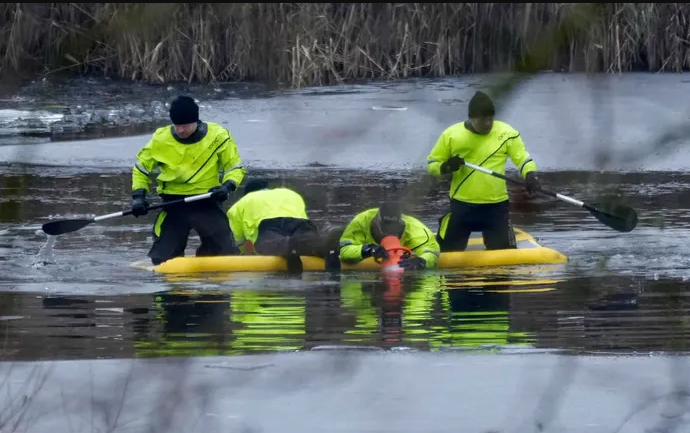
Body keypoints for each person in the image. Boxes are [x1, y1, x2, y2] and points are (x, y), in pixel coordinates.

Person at [130, 95, 246, 265]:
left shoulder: (218, 136)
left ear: (196, 121)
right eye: (177, 126)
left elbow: (234, 168)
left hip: (207, 201)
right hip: (174, 204)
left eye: (185, 125)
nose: (181, 130)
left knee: (226, 254)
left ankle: (208, 260)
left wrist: (227, 187)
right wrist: (138, 197)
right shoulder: (160, 139)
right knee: (161, 259)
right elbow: (140, 170)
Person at [426, 90, 542, 252]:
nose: (488, 124)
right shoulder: (452, 135)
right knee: (444, 253)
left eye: (491, 119)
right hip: (461, 207)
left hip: (495, 207)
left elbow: (523, 159)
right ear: (472, 118)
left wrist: (530, 175)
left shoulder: (507, 133)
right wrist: (446, 167)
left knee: (505, 256)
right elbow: (432, 164)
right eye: (483, 120)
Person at [226, 179, 324, 273]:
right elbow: (304, 218)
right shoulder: (290, 193)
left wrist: (244, 254)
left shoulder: (243, 202)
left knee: (272, 242)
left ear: (247, 193)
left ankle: (288, 247)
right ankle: (325, 246)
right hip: (299, 223)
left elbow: (236, 241)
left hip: (269, 225)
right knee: (307, 236)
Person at [338, 202, 440, 271]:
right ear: (376, 222)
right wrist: (368, 249)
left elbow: (432, 251)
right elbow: (345, 250)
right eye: (386, 226)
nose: (389, 231)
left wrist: (420, 261)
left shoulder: (417, 230)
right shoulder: (362, 221)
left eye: (393, 227)